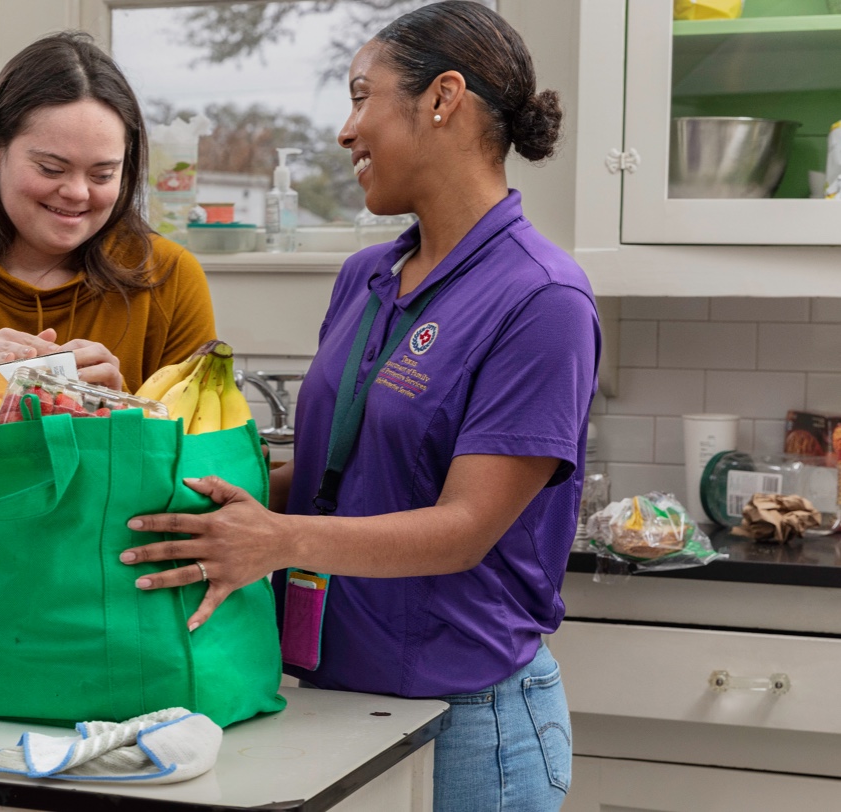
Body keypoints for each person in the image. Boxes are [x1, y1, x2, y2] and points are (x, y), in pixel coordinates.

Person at [119, 3, 599, 809]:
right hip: (331, 696)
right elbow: (338, 471)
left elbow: (465, 527)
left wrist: (276, 541)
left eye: (360, 96)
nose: (346, 132)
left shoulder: (543, 298)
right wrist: (185, 487)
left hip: (469, 725)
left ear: (442, 98)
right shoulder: (367, 278)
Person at [0, 32, 217, 629]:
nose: (77, 194)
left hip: (111, 626)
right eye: (51, 168)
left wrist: (120, 415)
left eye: (103, 173)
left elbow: (198, 491)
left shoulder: (168, 279)